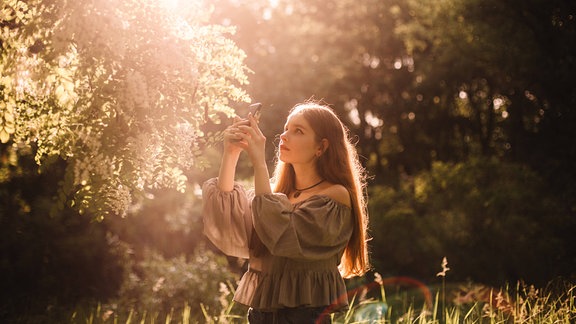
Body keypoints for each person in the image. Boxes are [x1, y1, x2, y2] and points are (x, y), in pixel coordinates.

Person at [202, 101, 370, 323]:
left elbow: (283, 235)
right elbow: (226, 219)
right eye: (286, 128)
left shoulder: (335, 196)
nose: (284, 136)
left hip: (303, 314)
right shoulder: (273, 195)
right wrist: (231, 153)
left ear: (321, 147)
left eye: (298, 131)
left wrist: (258, 163)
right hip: (260, 313)